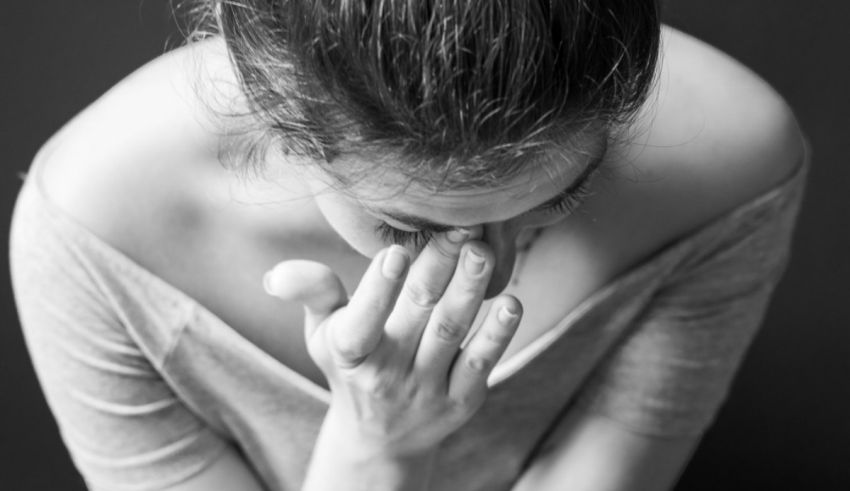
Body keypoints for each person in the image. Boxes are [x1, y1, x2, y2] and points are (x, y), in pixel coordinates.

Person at [9, 1, 808, 490]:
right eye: (406, 224)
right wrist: (375, 446)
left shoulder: (731, 166)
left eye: (563, 196)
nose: (487, 272)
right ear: (268, 98)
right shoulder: (96, 233)